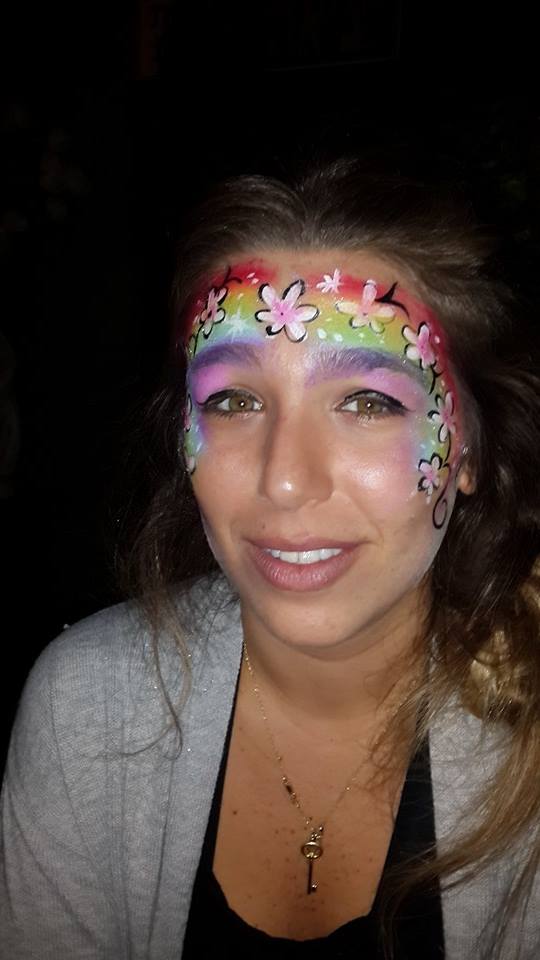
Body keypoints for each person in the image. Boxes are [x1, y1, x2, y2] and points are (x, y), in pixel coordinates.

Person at [1, 158, 539, 959]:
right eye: (234, 399)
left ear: (468, 448)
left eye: (367, 402)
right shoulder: (89, 714)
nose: (284, 479)